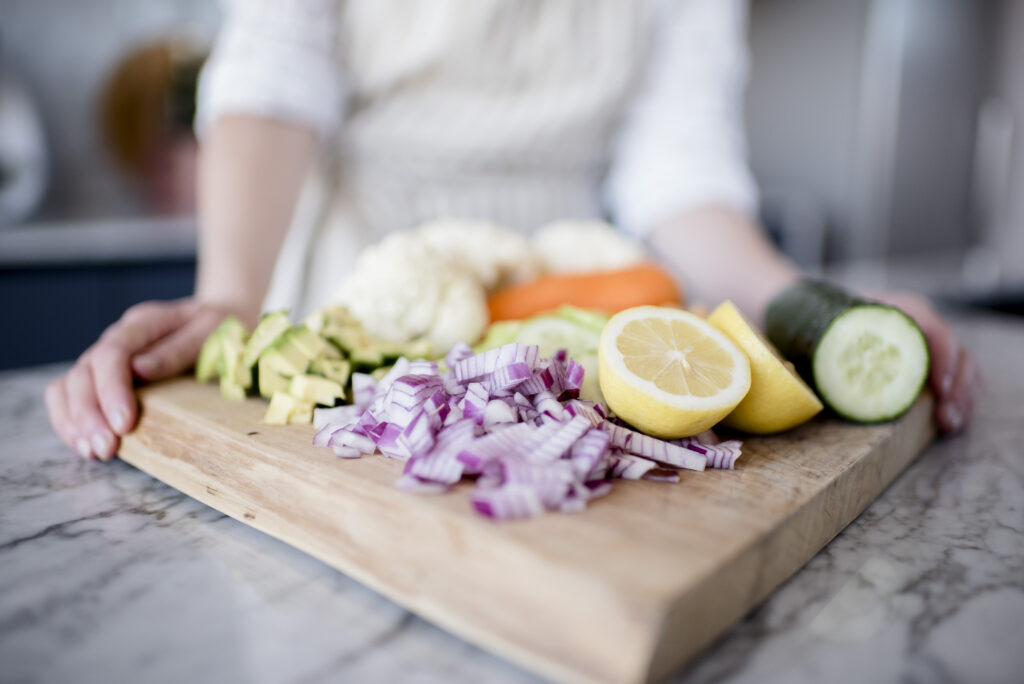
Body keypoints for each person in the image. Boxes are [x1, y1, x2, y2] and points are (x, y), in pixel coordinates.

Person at [45, 0, 978, 461]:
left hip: (555, 334)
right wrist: (228, 297)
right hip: (360, 294)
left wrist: (812, 315)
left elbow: (679, 171)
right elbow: (272, 81)